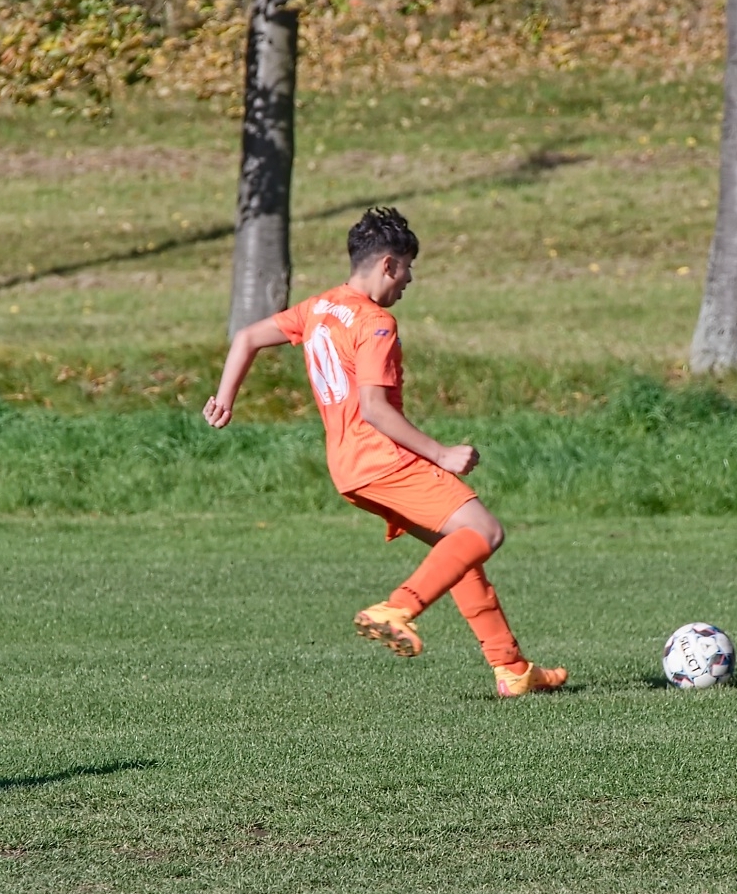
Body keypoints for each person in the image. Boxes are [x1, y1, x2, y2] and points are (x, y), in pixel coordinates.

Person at [202, 206, 566, 698]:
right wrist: (441, 454)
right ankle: (398, 608)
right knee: (485, 531)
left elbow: (247, 337)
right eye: (408, 268)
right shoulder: (375, 323)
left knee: (458, 550)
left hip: (347, 467)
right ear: (388, 264)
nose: (409, 280)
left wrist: (225, 398)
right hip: (383, 459)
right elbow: (374, 408)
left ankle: (512, 669)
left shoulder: (319, 307)